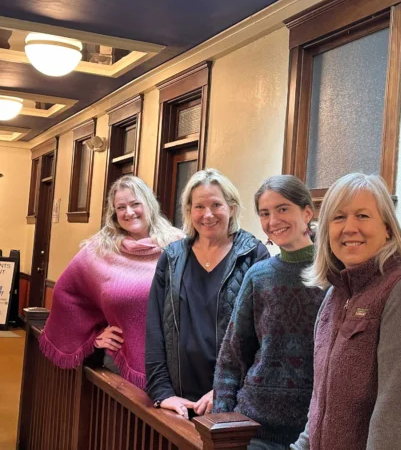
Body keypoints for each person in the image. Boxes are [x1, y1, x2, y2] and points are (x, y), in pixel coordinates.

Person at [291, 173, 401, 450]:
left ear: (388, 227)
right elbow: (321, 402)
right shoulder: (335, 294)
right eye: (338, 217)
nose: (349, 228)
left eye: (363, 216)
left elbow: (396, 418)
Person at [146, 168, 270, 418]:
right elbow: (155, 330)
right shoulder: (171, 258)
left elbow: (265, 339)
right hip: (179, 402)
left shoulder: (254, 256)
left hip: (232, 404)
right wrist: (162, 392)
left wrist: (224, 391)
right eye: (199, 207)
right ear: (189, 211)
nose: (208, 214)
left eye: (216, 205)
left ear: (232, 208)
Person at [213, 175, 325, 449]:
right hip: (255, 428)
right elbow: (232, 355)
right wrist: (223, 419)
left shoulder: (331, 275)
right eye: (265, 213)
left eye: (283, 208)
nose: (273, 220)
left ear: (307, 212)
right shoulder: (258, 275)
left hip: (315, 430)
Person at [39, 176, 183, 389]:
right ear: (114, 213)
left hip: (175, 365)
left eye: (135, 204)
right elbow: (66, 293)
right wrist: (94, 336)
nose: (129, 212)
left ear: (149, 204)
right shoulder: (99, 250)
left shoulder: (179, 245)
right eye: (121, 207)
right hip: (120, 368)